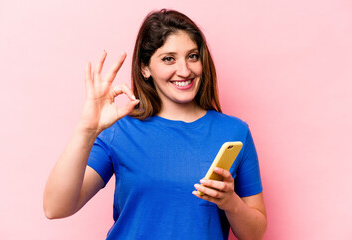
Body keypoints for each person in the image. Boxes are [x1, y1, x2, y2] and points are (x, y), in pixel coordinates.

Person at [43, 9, 267, 240]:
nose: (185, 70)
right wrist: (86, 130)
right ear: (145, 68)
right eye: (169, 58)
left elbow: (255, 234)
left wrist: (231, 203)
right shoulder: (120, 131)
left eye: (192, 56)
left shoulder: (234, 131)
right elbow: (55, 208)